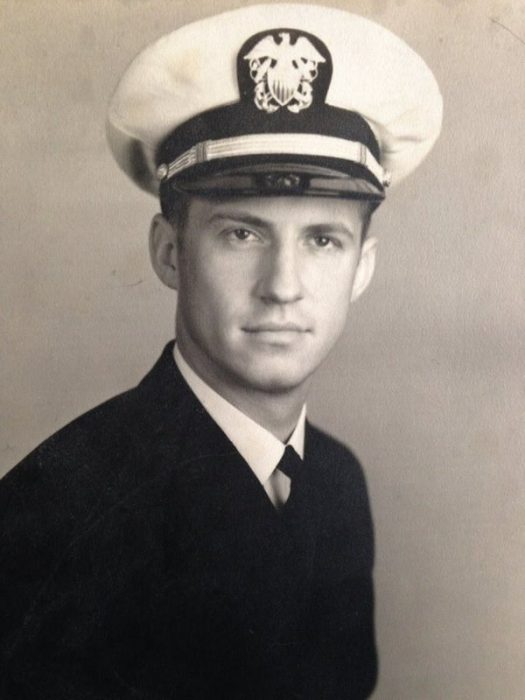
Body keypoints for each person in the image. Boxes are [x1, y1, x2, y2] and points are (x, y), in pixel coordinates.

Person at [0, 5, 442, 699]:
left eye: (322, 240)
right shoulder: (56, 509)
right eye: (241, 235)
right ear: (170, 252)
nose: (283, 288)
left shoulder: (331, 479)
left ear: (362, 268)